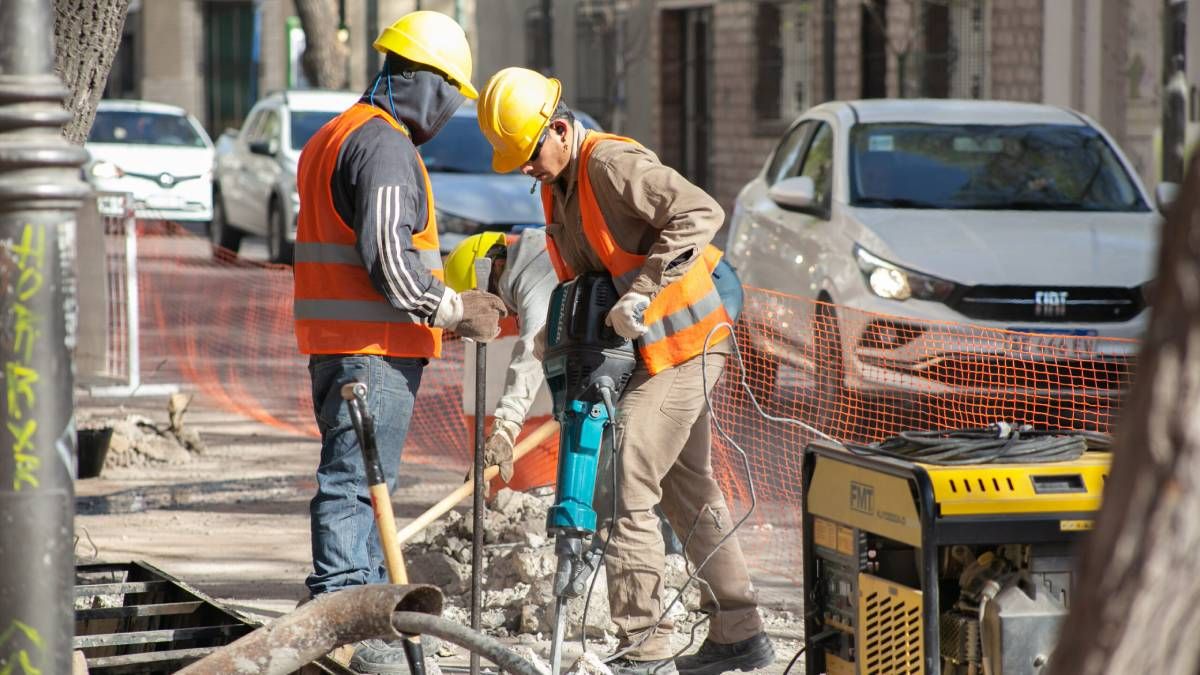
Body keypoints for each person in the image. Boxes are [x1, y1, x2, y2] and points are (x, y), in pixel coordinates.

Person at [476, 67, 771, 675]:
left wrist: (642, 291)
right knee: (688, 488)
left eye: (529, 154)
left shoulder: (609, 166)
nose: (526, 169)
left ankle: (645, 644)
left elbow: (700, 211)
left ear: (560, 130)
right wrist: (540, 366)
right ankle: (739, 632)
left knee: (621, 472)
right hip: (650, 354)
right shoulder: (558, 188)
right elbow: (577, 291)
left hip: (685, 341)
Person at [292, 11, 506, 674]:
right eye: (451, 94)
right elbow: (388, 256)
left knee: (364, 485)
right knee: (356, 484)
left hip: (344, 345)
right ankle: (343, 620)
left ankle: (364, 613)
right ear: (427, 82)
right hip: (372, 349)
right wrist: (453, 309)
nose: (449, 111)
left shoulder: (334, 134)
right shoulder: (383, 145)